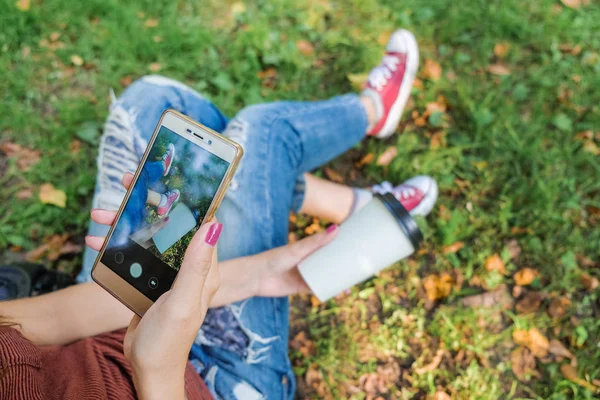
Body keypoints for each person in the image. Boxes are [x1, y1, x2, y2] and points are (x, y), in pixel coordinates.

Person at [0, 29, 438, 399]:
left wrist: (257, 274)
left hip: (120, 313)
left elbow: (55, 320)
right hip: (216, 385)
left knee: (153, 104)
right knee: (261, 133)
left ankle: (342, 202)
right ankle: (371, 112)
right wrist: (159, 371)